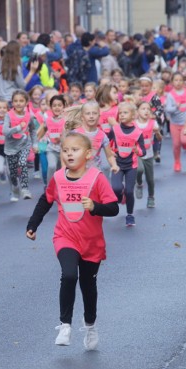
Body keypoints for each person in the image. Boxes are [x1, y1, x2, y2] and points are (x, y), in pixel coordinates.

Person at [26, 132, 119, 349]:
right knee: (68, 275)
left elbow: (113, 207)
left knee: (88, 285)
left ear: (87, 154)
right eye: (65, 150)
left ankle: (90, 326)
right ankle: (65, 325)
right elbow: (45, 200)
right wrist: (32, 225)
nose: (69, 154)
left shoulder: (97, 178)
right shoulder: (58, 177)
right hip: (65, 237)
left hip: (91, 242)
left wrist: (96, 207)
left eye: (74, 150)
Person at [110, 101, 145, 226]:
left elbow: (143, 152)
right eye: (120, 113)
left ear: (133, 115)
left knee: (129, 192)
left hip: (131, 166)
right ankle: (120, 196)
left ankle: (130, 215)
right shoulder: (114, 129)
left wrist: (137, 150)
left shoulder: (138, 132)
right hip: (117, 165)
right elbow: (108, 144)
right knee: (116, 188)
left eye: (125, 112)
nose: (122, 115)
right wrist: (111, 152)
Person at [3, 89, 38, 201]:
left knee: (22, 163)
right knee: (12, 172)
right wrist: (18, 128)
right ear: (12, 103)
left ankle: (25, 189)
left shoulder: (29, 116)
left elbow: (32, 130)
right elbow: (5, 132)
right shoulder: (8, 115)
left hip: (24, 144)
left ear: (26, 102)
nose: (18, 103)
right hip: (11, 147)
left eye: (21, 101)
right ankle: (15, 188)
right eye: (16, 101)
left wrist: (35, 143)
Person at [134, 101, 160, 208]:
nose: (146, 111)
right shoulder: (134, 124)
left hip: (149, 155)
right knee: (139, 170)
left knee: (150, 179)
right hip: (137, 154)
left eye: (148, 109)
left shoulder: (153, 123)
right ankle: (139, 183)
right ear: (137, 111)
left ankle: (151, 197)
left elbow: (159, 139)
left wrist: (157, 132)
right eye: (143, 109)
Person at [166, 72, 186, 172]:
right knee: (176, 145)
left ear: (184, 82)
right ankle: (177, 161)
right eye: (176, 80)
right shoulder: (170, 95)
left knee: (185, 141)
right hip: (175, 123)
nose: (178, 82)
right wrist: (175, 107)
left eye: (180, 80)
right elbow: (168, 109)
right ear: (172, 82)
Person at [36, 94, 66, 183]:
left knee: (60, 170)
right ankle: (49, 187)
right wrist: (36, 143)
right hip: (51, 149)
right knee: (51, 166)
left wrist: (62, 137)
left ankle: (59, 188)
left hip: (63, 150)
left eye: (59, 105)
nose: (57, 108)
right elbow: (42, 131)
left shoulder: (66, 121)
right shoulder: (48, 120)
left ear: (64, 106)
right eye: (54, 105)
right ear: (50, 107)